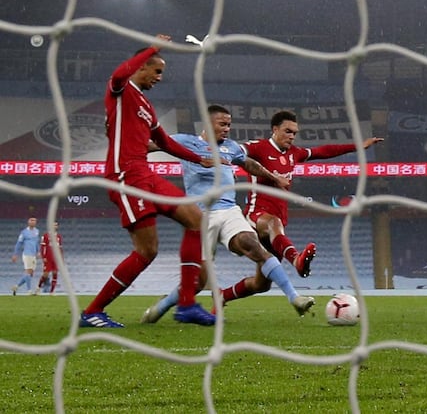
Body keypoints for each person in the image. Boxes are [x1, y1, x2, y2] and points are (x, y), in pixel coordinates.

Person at [80, 34, 217, 328]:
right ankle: (93, 311)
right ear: (141, 67)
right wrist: (153, 47)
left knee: (196, 219)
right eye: (157, 71)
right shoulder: (120, 91)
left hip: (146, 173)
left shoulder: (146, 106)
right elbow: (118, 74)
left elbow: (164, 141)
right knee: (147, 250)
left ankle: (187, 304)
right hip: (125, 175)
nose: (159, 77)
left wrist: (198, 159)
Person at [140, 105, 316, 323]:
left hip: (229, 210)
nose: (227, 129)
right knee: (197, 281)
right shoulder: (185, 142)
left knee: (253, 245)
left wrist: (274, 177)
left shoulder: (231, 147)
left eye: (229, 125)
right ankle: (162, 306)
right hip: (201, 217)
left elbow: (249, 163)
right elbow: (150, 144)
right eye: (222, 124)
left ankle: (295, 298)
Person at [239, 110, 383, 282]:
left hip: (279, 223)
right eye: (288, 131)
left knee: (261, 284)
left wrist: (358, 146)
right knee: (272, 223)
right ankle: (297, 260)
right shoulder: (259, 147)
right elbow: (236, 150)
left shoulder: (294, 153)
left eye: (294, 133)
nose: (292, 136)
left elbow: (323, 151)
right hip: (257, 214)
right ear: (275, 129)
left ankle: (223, 295)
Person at [11, 217, 39, 295]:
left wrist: (38, 251)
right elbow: (19, 243)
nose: (33, 222)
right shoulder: (24, 232)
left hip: (33, 255)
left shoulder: (37, 231)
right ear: (28, 222)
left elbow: (36, 242)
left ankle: (16, 286)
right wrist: (15, 254)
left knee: (30, 274)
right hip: (27, 254)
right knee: (28, 271)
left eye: (34, 221)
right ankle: (29, 290)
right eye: (31, 220)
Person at [36, 221, 64, 295]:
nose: (54, 226)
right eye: (53, 225)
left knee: (55, 273)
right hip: (48, 258)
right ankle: (38, 288)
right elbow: (42, 247)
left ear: (57, 227)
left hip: (56, 259)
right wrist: (43, 256)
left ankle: (52, 292)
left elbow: (60, 248)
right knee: (45, 274)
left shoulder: (59, 236)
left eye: (56, 225)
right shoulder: (45, 236)